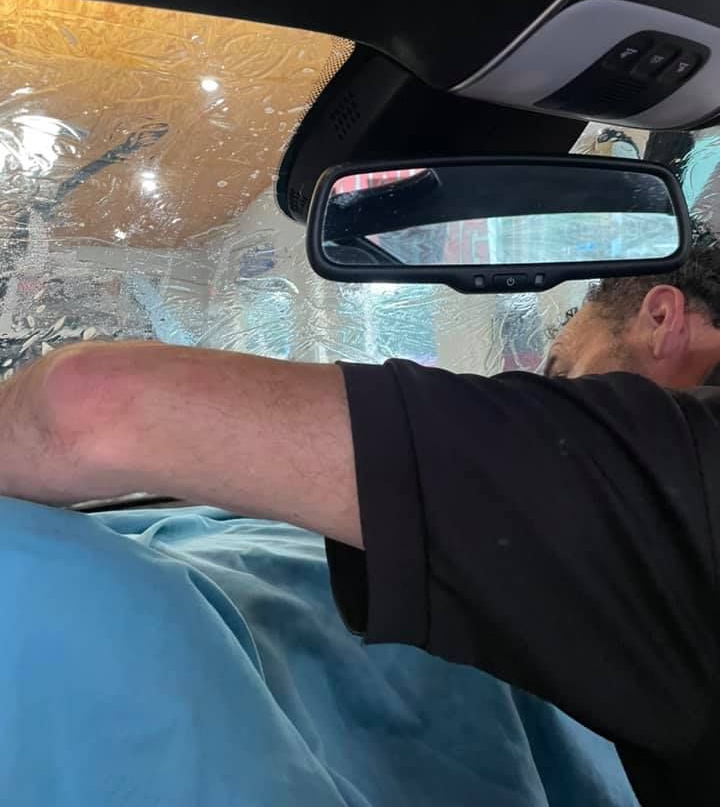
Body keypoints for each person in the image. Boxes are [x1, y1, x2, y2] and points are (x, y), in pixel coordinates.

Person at [3, 227, 720, 807]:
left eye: (561, 377)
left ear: (661, 317)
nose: (550, 396)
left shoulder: (668, 456)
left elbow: (90, 403)